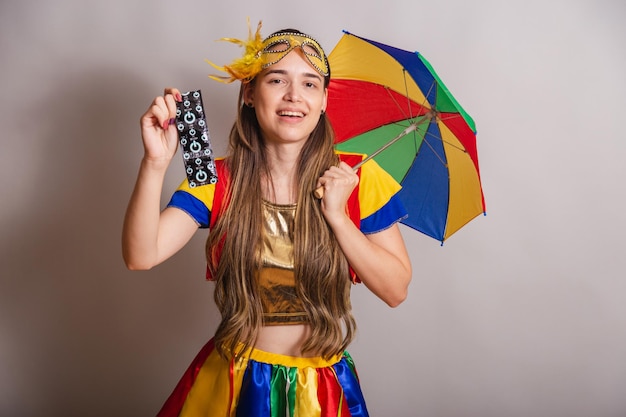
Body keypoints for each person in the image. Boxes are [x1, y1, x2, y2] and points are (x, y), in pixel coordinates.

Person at [122, 21, 412, 417]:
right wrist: (155, 163)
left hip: (321, 391)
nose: (295, 96)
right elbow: (142, 254)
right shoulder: (216, 178)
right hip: (234, 382)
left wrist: (339, 218)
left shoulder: (359, 178)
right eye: (277, 80)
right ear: (249, 93)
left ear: (324, 100)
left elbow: (396, 290)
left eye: (310, 84)